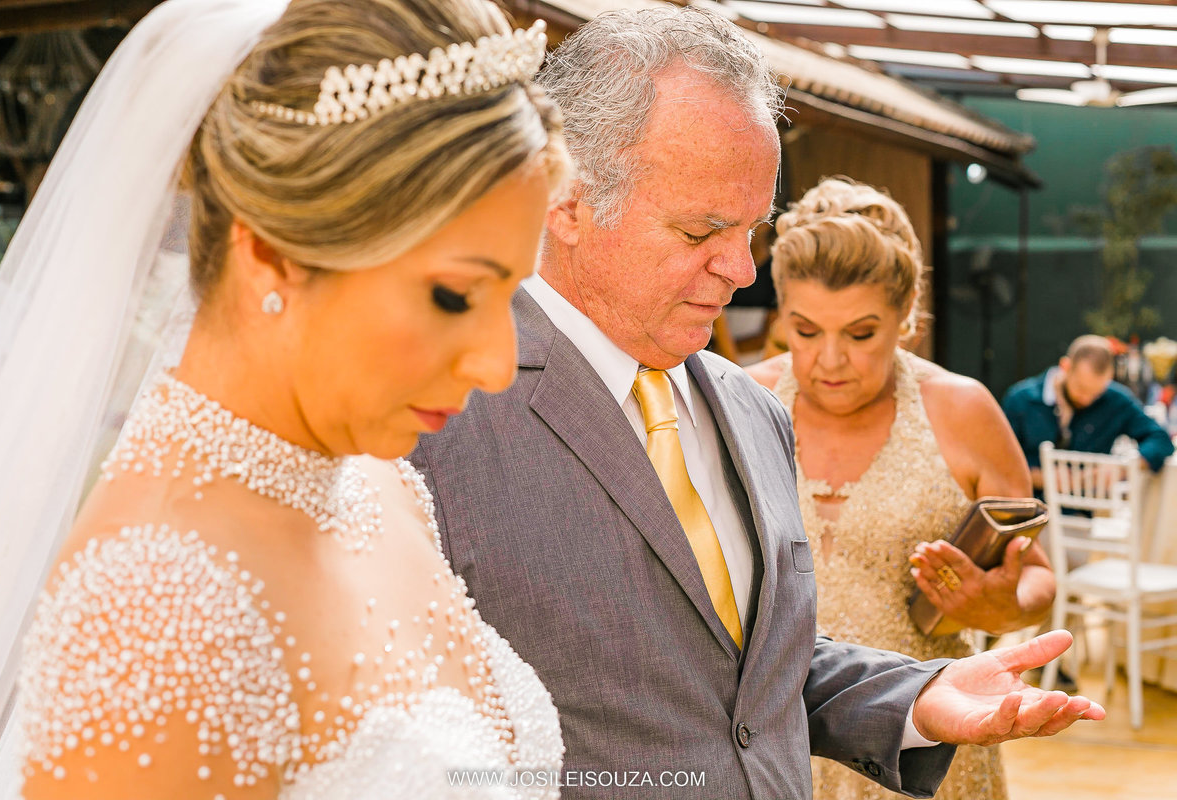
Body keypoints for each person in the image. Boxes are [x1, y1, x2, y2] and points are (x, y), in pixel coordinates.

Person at [410, 8, 1102, 800]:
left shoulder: (753, 408)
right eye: (703, 228)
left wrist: (913, 697)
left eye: (753, 229)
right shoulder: (434, 412)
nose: (743, 271)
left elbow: (750, 672)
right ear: (565, 197)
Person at [0, 0, 572, 796]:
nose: (499, 366)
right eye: (457, 297)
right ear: (272, 256)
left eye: (512, 297)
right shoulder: (157, 607)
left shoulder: (379, 482)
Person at [747, 177, 1056, 800]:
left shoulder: (964, 410)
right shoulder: (740, 399)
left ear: (906, 319)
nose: (829, 361)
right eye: (806, 332)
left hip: (927, 746)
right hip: (776, 745)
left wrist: (996, 605)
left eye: (861, 335)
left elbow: (1037, 578)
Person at [1003, 334, 1175, 492]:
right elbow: (1000, 461)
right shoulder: (1021, 399)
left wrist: (1123, 467)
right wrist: (1039, 477)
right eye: (1081, 389)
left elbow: (1160, 440)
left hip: (1086, 515)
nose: (1086, 399)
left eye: (1096, 393)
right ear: (1065, 366)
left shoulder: (1115, 400)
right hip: (1029, 510)